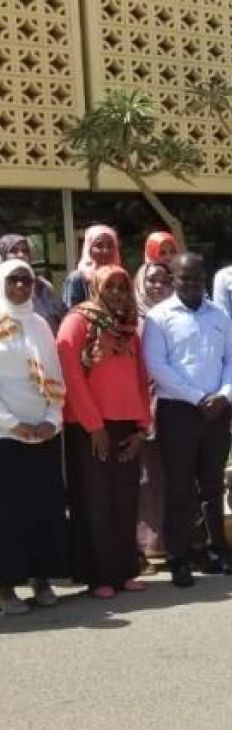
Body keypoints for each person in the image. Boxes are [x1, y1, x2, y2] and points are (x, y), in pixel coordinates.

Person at [142, 252, 232, 587]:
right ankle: (179, 556)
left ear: (205, 278)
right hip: (179, 411)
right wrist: (196, 397)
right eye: (184, 278)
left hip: (216, 410)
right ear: (174, 279)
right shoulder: (159, 317)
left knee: (212, 485)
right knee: (180, 487)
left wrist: (224, 394)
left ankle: (217, 550)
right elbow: (157, 365)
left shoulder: (219, 315)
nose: (192, 283)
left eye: (197, 277)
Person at [57, 265, 152, 597]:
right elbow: (70, 373)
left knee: (125, 499)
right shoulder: (77, 321)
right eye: (109, 286)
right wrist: (93, 425)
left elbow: (141, 377)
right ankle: (99, 576)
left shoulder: (128, 327)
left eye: (122, 287)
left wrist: (142, 427)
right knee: (95, 500)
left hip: (126, 423)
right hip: (88, 425)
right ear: (95, 288)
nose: (116, 292)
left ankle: (124, 570)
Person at [0, 259, 68, 616]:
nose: (21, 287)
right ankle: (6, 586)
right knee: (8, 514)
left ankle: (41, 578)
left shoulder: (40, 324)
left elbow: (55, 375)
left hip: (43, 433)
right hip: (6, 437)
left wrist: (52, 419)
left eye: (27, 280)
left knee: (43, 510)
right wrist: (13, 423)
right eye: (13, 280)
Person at [134, 260, 172, 565]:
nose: (158, 285)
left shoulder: (178, 315)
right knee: (147, 477)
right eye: (152, 280)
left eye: (164, 280)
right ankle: (147, 544)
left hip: (176, 403)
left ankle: (173, 541)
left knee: (173, 474)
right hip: (142, 404)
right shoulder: (130, 319)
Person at [0, 233, 66, 331]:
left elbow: (56, 319)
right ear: (3, 255)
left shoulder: (43, 286)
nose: (21, 255)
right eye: (13, 251)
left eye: (25, 251)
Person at [64, 224, 122, 308]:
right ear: (89, 248)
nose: (105, 251)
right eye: (99, 246)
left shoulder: (120, 277)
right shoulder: (78, 278)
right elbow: (70, 314)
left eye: (110, 246)